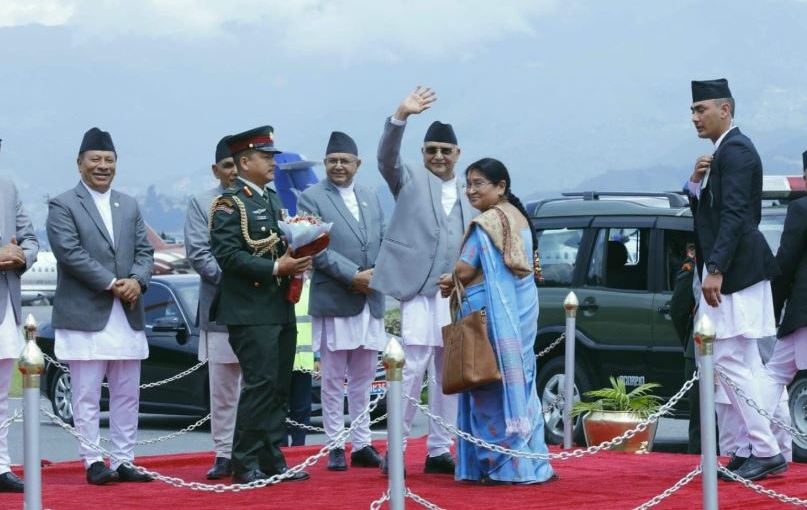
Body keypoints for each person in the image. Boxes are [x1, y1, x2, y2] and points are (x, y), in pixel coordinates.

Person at [371, 86, 475, 475]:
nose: (438, 156)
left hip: (453, 297)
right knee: (411, 369)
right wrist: (400, 116)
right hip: (417, 292)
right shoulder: (408, 178)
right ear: (423, 154)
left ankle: (438, 449)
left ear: (458, 155)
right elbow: (385, 158)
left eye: (445, 151)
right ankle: (394, 452)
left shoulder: (471, 191)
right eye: (431, 150)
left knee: (448, 373)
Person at [688, 79, 786, 481]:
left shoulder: (737, 151)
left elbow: (735, 216)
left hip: (735, 273)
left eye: (701, 109)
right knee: (744, 362)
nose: (695, 118)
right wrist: (695, 182)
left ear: (725, 109)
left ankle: (765, 449)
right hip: (735, 270)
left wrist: (715, 269)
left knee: (729, 360)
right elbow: (711, 211)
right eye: (692, 111)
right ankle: (756, 448)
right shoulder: (722, 152)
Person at [47, 127, 154, 485]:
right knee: (87, 394)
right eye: (95, 159)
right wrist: (113, 284)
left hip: (127, 312)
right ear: (80, 164)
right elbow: (71, 254)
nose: (103, 166)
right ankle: (92, 459)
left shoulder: (130, 204)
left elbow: (145, 251)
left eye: (109, 160)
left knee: (127, 394)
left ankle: (124, 459)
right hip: (86, 315)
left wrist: (137, 280)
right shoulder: (63, 205)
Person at [437, 158, 553, 484]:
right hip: (520, 315)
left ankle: (502, 466)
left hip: (488, 320)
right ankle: (532, 463)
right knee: (521, 386)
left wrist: (451, 277)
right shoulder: (518, 218)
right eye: (468, 184)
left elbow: (463, 268)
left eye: (479, 183)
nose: (471, 190)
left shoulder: (487, 223)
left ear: (500, 186)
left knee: (486, 387)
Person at [209, 126, 312, 483]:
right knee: (260, 382)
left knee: (279, 384)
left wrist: (298, 256)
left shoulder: (269, 198)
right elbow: (228, 256)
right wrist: (275, 266)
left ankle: (272, 456)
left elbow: (277, 242)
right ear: (244, 162)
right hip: (250, 309)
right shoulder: (229, 202)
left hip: (279, 304)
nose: (273, 162)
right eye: (266, 157)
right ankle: (244, 460)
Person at [297, 131, 385, 471]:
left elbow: (385, 239)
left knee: (364, 377)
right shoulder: (312, 196)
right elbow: (313, 246)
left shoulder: (370, 196)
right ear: (325, 163)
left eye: (345, 160)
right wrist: (354, 276)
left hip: (370, 299)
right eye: (332, 160)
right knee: (333, 377)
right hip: (336, 297)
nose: (338, 166)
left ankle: (362, 443)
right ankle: (335, 444)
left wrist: (378, 274)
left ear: (357, 164)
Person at [184, 136, 242, 479]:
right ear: (215, 169)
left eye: (238, 163)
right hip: (221, 308)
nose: (234, 171)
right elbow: (199, 253)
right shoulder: (202, 202)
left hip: (261, 311)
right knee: (222, 389)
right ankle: (223, 453)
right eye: (227, 165)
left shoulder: (260, 198)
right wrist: (240, 281)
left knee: (259, 387)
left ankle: (256, 450)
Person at [758, 150, 807, 458]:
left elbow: (785, 263)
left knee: (773, 375)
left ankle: (761, 449)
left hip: (804, 314)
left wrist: (772, 309)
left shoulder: (801, 208)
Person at [0, 139, 39, 493]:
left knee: (0, 395)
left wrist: (21, 256)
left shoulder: (7, 187)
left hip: (4, 307)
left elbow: (30, 239)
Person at [286, 279, 313, 447]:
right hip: (282, 359)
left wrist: (317, 357)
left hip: (304, 361)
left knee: (302, 409)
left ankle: (298, 446)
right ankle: (279, 446)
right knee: (279, 407)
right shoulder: (280, 283)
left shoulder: (310, 286)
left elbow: (315, 324)